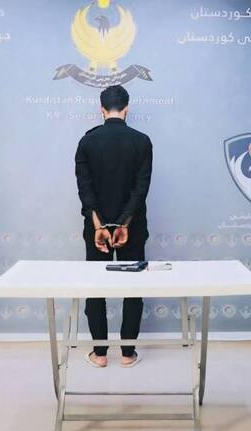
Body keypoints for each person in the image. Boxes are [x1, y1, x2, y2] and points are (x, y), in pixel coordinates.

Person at [74, 85, 153, 368]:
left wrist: (99, 226)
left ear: (102, 109)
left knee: (96, 289)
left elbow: (85, 190)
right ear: (127, 109)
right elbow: (140, 189)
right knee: (133, 289)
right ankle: (128, 353)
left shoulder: (87, 142)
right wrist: (124, 223)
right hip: (132, 229)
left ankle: (100, 354)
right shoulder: (142, 141)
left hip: (97, 231)